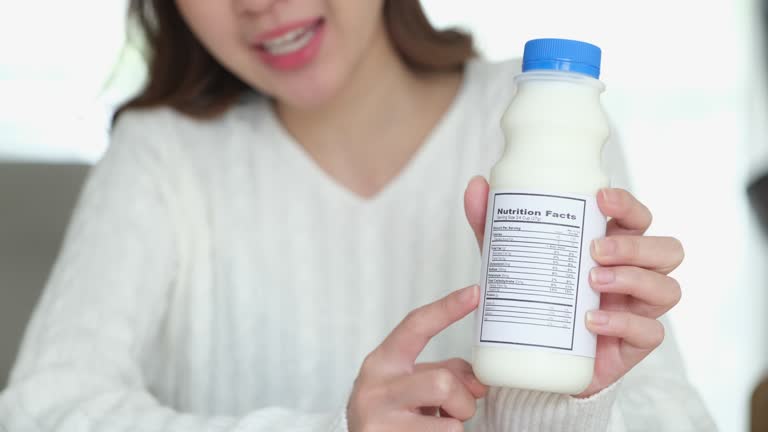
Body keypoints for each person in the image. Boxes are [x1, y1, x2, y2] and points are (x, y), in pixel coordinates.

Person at [0, 0, 716, 431]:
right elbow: (37, 413)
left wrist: (559, 407)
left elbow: (676, 419)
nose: (261, 2)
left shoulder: (542, 109)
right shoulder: (162, 156)